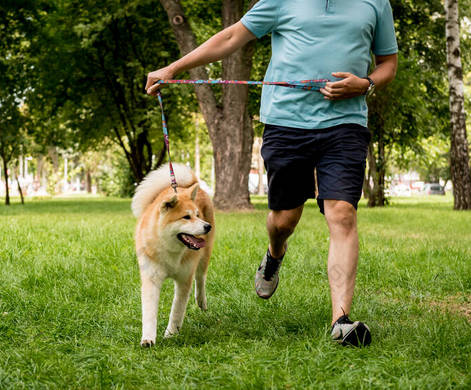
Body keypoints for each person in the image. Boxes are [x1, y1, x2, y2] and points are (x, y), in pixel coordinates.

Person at [145, 0, 398, 347]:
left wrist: (365, 83)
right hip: (286, 124)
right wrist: (174, 68)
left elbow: (388, 65)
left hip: (346, 124)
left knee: (342, 213)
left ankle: (341, 321)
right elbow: (232, 36)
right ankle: (275, 253)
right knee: (283, 221)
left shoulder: (375, 3)